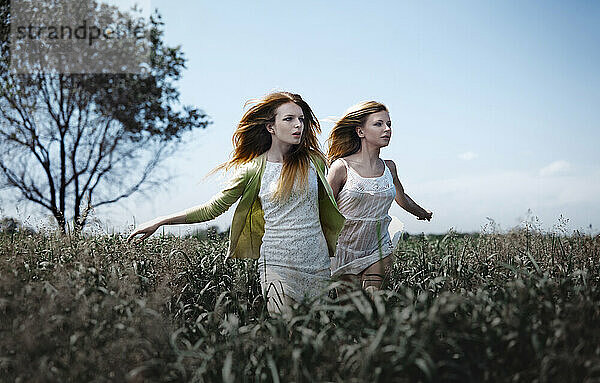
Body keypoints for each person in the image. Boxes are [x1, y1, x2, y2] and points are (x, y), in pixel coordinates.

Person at [128, 92, 345, 314]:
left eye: (301, 119)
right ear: (271, 127)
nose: (298, 125)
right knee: (283, 333)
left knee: (314, 337)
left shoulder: (314, 161)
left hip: (316, 262)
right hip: (277, 262)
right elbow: (211, 209)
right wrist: (160, 221)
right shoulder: (253, 170)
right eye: (288, 119)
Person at [326, 101, 432, 294]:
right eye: (379, 124)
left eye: (389, 124)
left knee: (377, 303)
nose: (387, 129)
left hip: (378, 246)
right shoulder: (341, 168)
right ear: (360, 131)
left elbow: (402, 198)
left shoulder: (389, 167)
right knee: (351, 311)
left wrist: (421, 212)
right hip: (344, 250)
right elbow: (324, 209)